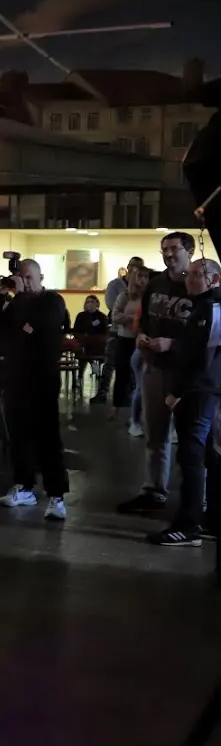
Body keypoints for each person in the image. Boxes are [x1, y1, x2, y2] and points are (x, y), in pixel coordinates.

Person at [118, 232, 195, 516]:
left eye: (174, 248)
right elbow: (145, 320)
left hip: (189, 373)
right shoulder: (156, 284)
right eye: (164, 249)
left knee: (194, 439)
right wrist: (142, 336)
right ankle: (153, 490)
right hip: (155, 367)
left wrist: (172, 344)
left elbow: (208, 332)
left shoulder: (199, 285)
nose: (168, 254)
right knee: (156, 434)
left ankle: (196, 499)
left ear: (189, 250)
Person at [0, 259, 70, 521]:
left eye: (29, 276)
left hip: (42, 378)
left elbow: (41, 331)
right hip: (16, 378)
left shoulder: (52, 300)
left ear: (41, 276)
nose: (24, 281)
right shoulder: (15, 302)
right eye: (20, 277)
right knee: (18, 434)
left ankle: (57, 495)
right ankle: (24, 486)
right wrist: (2, 297)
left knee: (47, 436)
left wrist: (19, 330)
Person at [149, 258, 221, 546]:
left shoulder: (211, 309)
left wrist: (177, 391)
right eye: (188, 274)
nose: (189, 279)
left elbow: (200, 357)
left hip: (199, 392)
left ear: (213, 279)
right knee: (206, 455)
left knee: (192, 457)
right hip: (202, 390)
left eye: (196, 275)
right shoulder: (204, 306)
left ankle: (189, 525)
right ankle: (209, 519)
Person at [110, 265, 148, 427]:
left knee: (139, 379)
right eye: (140, 277)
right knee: (122, 375)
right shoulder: (124, 296)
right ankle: (117, 408)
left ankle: (136, 415)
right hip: (125, 339)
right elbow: (115, 315)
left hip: (142, 341)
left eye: (146, 277)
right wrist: (132, 318)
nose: (143, 280)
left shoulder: (149, 297)